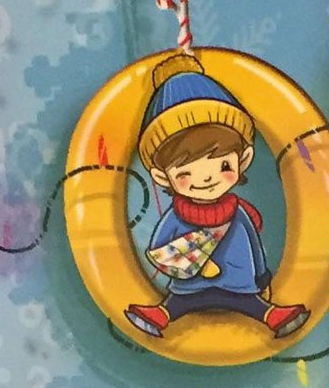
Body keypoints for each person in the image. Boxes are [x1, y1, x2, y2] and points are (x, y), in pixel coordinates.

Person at [125, 52, 309, 339]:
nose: (207, 178)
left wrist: (261, 277)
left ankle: (271, 315)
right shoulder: (176, 217)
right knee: (176, 304)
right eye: (186, 172)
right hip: (190, 288)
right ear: (162, 177)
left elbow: (253, 244)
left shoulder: (238, 213)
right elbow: (161, 251)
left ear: (243, 159)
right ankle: (161, 314)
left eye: (223, 165)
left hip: (239, 285)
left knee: (253, 305)